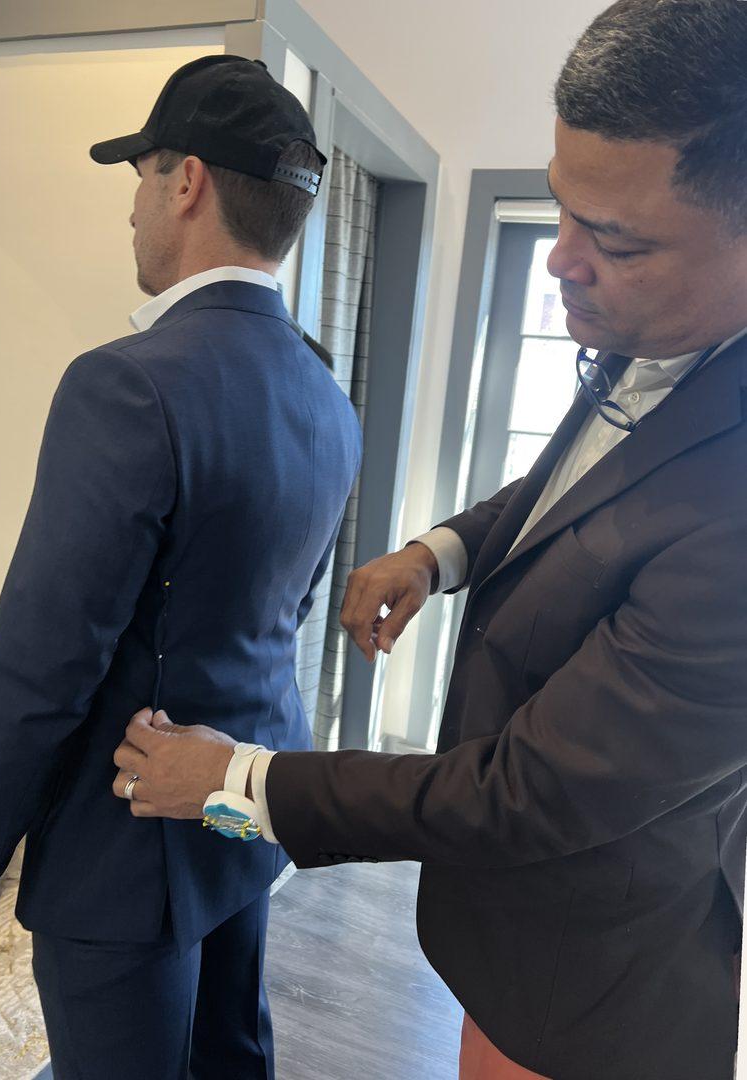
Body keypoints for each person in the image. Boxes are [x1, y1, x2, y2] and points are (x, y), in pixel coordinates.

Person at [113, 3, 747, 1078]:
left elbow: (527, 793)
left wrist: (241, 785)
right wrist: (440, 552)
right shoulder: (663, 343)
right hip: (512, 936)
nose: (560, 262)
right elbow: (573, 490)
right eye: (561, 211)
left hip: (597, 979)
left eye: (617, 242)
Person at [0, 55, 362, 1080]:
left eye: (140, 174)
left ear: (187, 182)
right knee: (229, 1060)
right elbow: (282, 608)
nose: (131, 209)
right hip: (244, 812)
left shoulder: (125, 386)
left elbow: (44, 660)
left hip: (126, 850)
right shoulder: (323, 392)